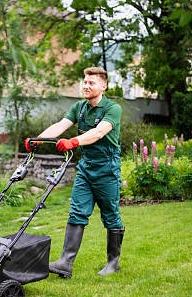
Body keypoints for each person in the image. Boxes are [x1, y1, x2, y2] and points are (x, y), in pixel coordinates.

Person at [25, 66, 124, 278]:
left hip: (107, 169)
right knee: (77, 211)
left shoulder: (112, 109)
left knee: (111, 215)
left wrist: (74, 142)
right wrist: (37, 140)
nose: (86, 86)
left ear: (104, 86)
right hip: (86, 168)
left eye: (91, 83)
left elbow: (98, 133)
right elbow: (60, 125)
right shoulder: (79, 108)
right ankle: (65, 263)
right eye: (85, 82)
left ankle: (113, 262)